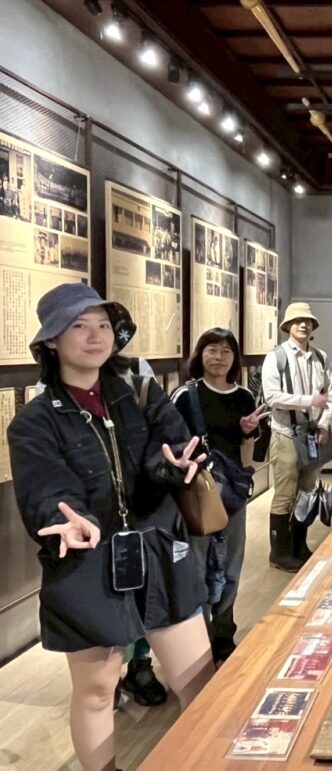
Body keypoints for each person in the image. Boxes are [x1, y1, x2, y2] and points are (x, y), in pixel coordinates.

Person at [8, 283, 214, 771]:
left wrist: (177, 467)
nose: (95, 335)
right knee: (97, 690)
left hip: (159, 550)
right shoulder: (34, 422)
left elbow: (172, 450)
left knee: (200, 679)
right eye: (79, 326)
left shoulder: (140, 394)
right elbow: (46, 489)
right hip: (87, 565)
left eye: (103, 325)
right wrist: (64, 520)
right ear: (51, 341)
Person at [172, 328, 267, 664]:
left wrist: (248, 431)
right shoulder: (186, 395)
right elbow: (170, 442)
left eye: (226, 351)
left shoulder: (244, 396)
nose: (219, 357)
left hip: (233, 491)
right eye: (212, 349)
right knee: (198, 564)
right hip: (197, 492)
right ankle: (200, 635)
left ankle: (224, 630)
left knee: (231, 563)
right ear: (200, 355)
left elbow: (251, 448)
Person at [261, 302, 332, 571]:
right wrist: (308, 401)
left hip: (312, 434)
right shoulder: (276, 357)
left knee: (307, 491)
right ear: (287, 327)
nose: (304, 325)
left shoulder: (321, 357)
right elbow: (272, 397)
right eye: (298, 321)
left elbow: (329, 394)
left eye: (308, 321)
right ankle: (279, 552)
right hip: (285, 434)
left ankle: (298, 545)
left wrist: (324, 424)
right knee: (285, 494)